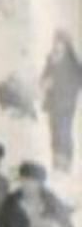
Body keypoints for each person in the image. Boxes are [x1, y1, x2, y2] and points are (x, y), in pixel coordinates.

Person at [43, 31, 81, 173]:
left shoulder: (72, 61)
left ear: (66, 44)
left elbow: (78, 79)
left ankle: (65, 162)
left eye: (61, 42)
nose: (57, 44)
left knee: (64, 131)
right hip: (53, 102)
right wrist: (45, 82)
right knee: (54, 130)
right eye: (56, 41)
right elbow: (44, 76)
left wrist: (67, 88)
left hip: (66, 103)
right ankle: (56, 161)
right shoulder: (51, 58)